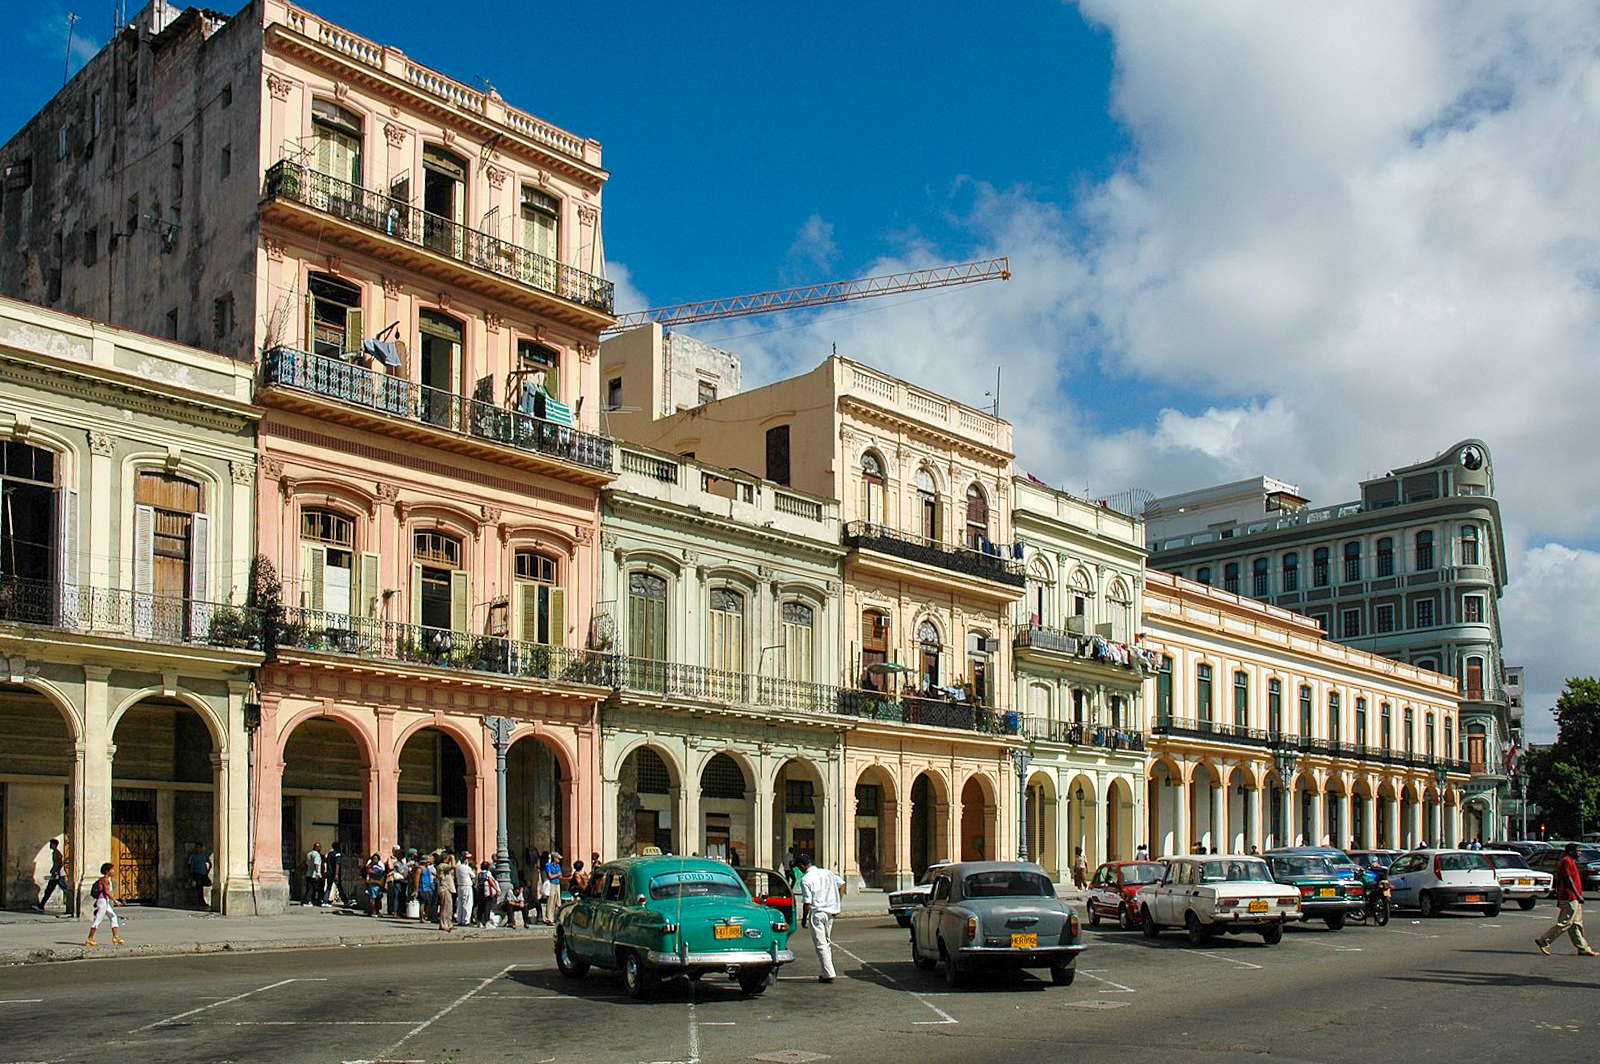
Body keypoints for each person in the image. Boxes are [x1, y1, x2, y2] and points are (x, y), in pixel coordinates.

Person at [1536, 842, 1597, 957]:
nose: (1579, 853)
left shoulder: (1571, 862)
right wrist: (1577, 895)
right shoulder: (1566, 861)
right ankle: (1544, 940)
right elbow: (1567, 879)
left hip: (1573, 898)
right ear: (1570, 851)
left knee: (1576, 924)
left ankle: (1583, 948)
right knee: (1565, 922)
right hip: (1570, 897)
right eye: (1577, 851)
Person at [796, 853, 845, 983]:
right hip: (830, 912)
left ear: (802, 866)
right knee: (827, 942)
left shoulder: (806, 879)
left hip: (817, 912)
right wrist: (837, 903)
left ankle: (829, 973)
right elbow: (842, 884)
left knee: (820, 944)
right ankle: (826, 971)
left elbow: (807, 902)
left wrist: (804, 918)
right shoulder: (827, 873)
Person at [84, 861, 125, 947]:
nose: (113, 871)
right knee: (98, 919)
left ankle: (115, 937)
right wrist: (115, 900)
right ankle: (90, 938)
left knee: (113, 917)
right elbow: (106, 892)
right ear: (107, 871)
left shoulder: (105, 880)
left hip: (104, 901)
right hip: (102, 901)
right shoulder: (104, 880)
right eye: (111, 870)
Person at [38, 838, 72, 916]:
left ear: (54, 845)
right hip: (57, 874)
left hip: (59, 875)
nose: (50, 846)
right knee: (49, 889)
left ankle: (72, 904)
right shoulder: (55, 853)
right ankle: (41, 905)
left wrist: (56, 872)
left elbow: (60, 864)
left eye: (51, 844)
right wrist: (53, 870)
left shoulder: (57, 853)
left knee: (65, 889)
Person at [436, 853, 456, 932]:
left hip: (448, 888)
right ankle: (443, 924)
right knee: (445, 907)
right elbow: (453, 866)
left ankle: (449, 923)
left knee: (449, 907)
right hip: (444, 888)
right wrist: (452, 857)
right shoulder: (442, 865)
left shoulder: (444, 866)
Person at [455, 850, 475, 927]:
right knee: (467, 903)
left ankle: (460, 919)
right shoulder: (467, 868)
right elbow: (473, 876)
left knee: (460, 903)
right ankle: (466, 920)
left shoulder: (458, 867)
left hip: (460, 886)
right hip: (467, 886)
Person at [323, 841, 344, 907]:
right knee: (339, 887)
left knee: (328, 887)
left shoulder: (329, 854)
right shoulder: (337, 854)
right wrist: (336, 874)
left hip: (329, 872)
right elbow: (337, 864)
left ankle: (325, 901)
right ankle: (345, 900)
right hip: (334, 873)